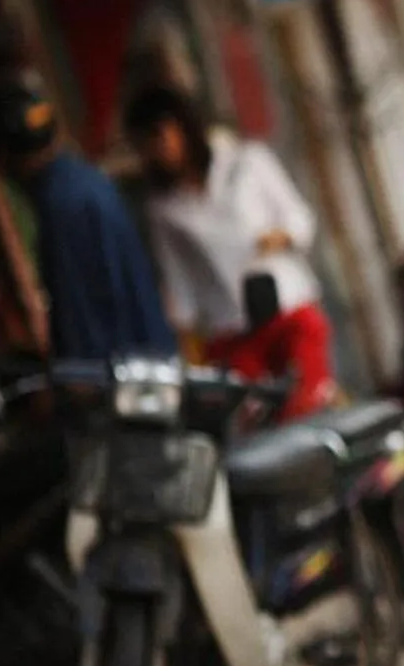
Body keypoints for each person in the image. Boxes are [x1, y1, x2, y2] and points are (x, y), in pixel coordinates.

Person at [123, 85, 337, 418]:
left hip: (288, 309)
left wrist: (280, 237)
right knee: (253, 424)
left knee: (306, 410)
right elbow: (180, 285)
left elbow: (300, 220)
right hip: (231, 328)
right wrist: (184, 342)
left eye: (159, 135)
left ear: (183, 127)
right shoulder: (163, 209)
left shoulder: (246, 161)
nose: (158, 149)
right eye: (145, 145)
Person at [0, 82, 175, 363]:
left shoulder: (62, 204)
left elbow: (83, 324)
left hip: (130, 377)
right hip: (149, 365)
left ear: (2, 155)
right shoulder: (83, 181)